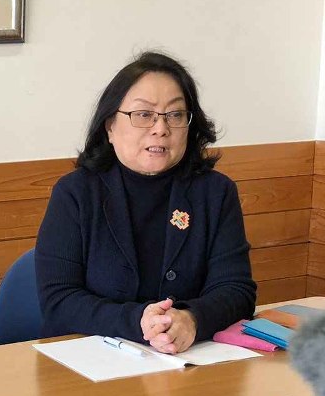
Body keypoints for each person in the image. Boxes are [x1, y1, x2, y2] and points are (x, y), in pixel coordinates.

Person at [34, 51, 256, 353]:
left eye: (175, 115)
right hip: (89, 360)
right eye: (143, 114)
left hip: (188, 361)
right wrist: (139, 321)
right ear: (110, 127)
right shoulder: (76, 193)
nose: (161, 128)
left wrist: (191, 319)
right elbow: (58, 301)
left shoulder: (215, 193)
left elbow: (237, 290)